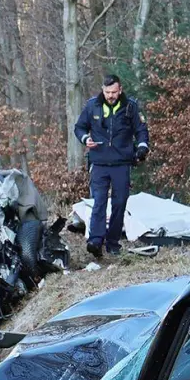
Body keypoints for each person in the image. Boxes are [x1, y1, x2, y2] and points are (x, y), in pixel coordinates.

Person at [72, 74, 150, 257]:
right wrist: (85, 139)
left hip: (122, 163)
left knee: (119, 203)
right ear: (102, 90)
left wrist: (142, 147)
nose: (110, 95)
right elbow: (79, 127)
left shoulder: (130, 106)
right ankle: (95, 241)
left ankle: (113, 243)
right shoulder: (92, 106)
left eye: (114, 92)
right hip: (99, 163)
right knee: (99, 202)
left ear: (120, 90)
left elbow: (141, 130)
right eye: (107, 92)